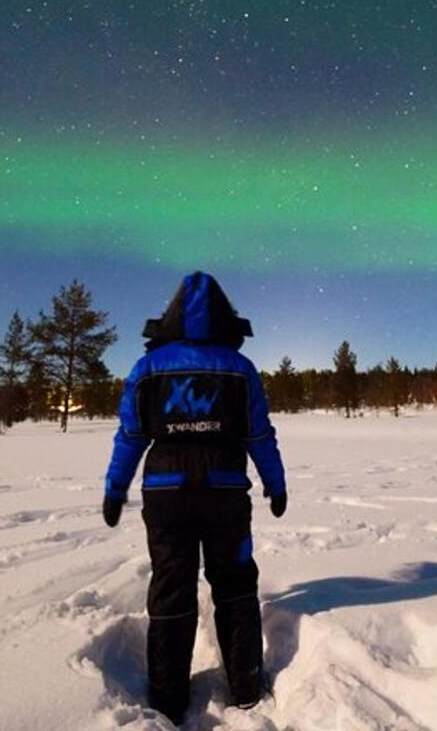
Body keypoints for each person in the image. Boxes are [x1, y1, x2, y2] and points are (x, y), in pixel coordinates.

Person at [102, 271, 288, 724]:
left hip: (166, 498)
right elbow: (259, 434)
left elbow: (130, 436)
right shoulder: (240, 369)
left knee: (171, 587)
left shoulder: (147, 368)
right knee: (235, 583)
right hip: (226, 495)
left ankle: (168, 696)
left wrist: (114, 487)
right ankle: (245, 684)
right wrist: (275, 482)